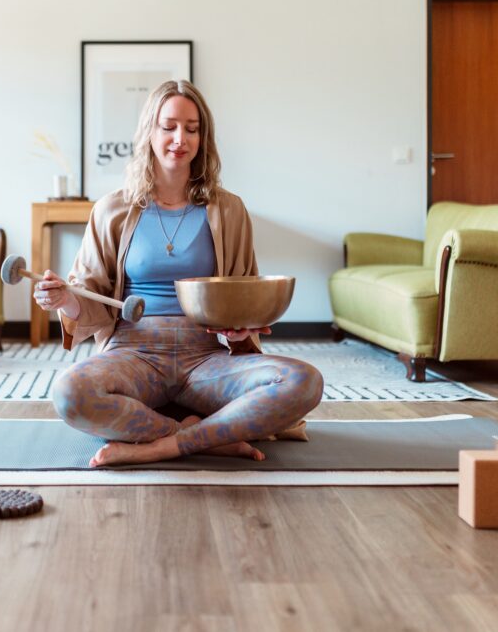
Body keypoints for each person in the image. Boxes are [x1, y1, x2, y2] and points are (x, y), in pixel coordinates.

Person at [33, 80, 323, 467]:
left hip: (205, 357)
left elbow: (242, 297)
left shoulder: (229, 210)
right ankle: (208, 437)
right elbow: (91, 297)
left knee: (304, 381)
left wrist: (240, 327)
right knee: (70, 392)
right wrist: (66, 298)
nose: (179, 138)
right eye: (168, 126)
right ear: (149, 132)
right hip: (133, 353)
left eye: (191, 128)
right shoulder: (111, 209)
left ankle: (161, 445)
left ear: (204, 136)